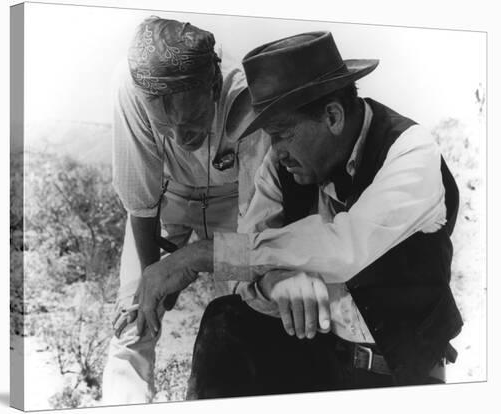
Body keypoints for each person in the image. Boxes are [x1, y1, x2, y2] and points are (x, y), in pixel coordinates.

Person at [133, 31, 463, 398]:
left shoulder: (411, 152)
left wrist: (199, 255)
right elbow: (250, 256)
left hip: (402, 376)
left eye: (283, 134)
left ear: (333, 117)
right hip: (315, 361)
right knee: (225, 321)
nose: (275, 150)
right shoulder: (280, 166)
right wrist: (275, 279)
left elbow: (344, 248)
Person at [102, 17, 269, 404]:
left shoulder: (245, 94)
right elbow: (140, 201)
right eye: (165, 126)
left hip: (237, 203)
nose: (180, 137)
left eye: (194, 120)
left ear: (213, 87)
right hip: (167, 200)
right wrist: (153, 278)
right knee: (133, 324)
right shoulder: (130, 85)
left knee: (247, 311)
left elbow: (258, 240)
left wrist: (189, 265)